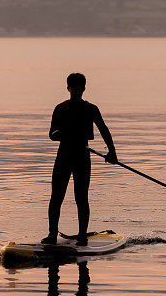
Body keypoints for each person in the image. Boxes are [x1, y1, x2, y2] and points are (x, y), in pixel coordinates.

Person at [42, 73, 117, 246]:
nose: (76, 91)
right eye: (73, 87)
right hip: (64, 156)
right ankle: (52, 235)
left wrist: (112, 152)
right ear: (68, 88)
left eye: (79, 88)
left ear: (84, 89)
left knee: (81, 197)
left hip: (82, 157)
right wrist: (62, 134)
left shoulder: (91, 109)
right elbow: (51, 134)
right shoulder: (60, 108)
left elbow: (103, 129)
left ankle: (82, 236)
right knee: (56, 197)